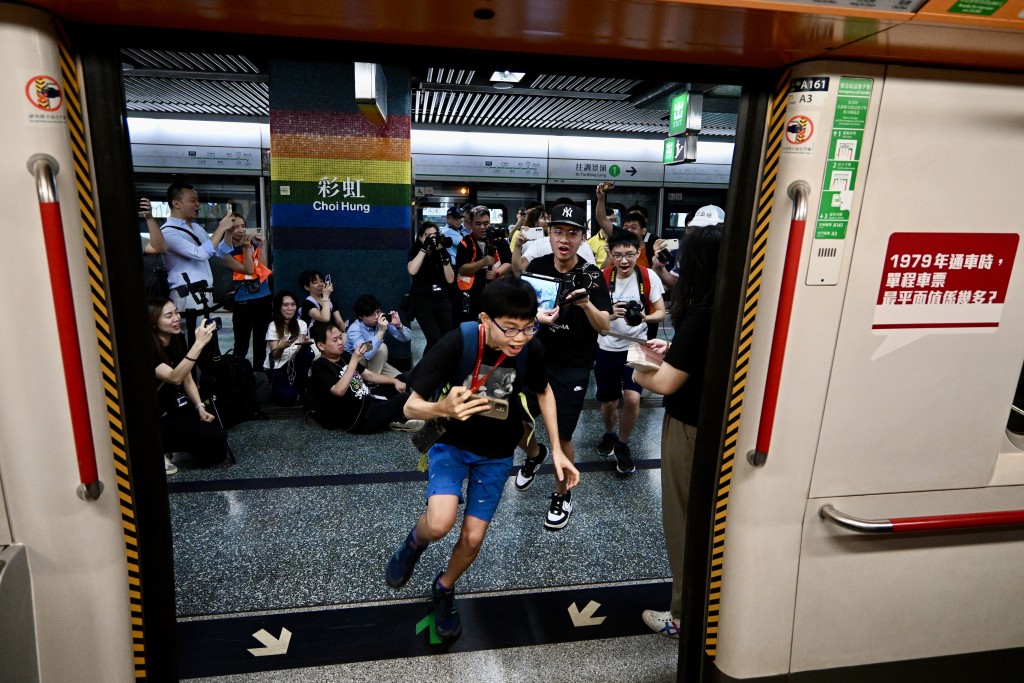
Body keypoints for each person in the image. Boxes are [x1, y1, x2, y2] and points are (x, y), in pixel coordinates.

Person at [384, 277, 580, 642]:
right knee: (439, 523)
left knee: (473, 539)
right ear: (486, 319)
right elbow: (410, 405)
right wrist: (442, 407)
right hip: (451, 444)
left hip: (496, 454)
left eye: (528, 328)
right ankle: (413, 544)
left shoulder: (531, 349)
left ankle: (443, 588)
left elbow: (544, 390)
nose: (520, 338)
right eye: (510, 329)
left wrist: (556, 451)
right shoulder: (459, 341)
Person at [632, 224, 723, 639]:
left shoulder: (702, 311)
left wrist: (639, 368)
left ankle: (684, 616)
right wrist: (675, 352)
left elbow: (666, 383)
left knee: (684, 521)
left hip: (690, 430)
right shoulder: (734, 302)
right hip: (722, 429)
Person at [515, 203, 612, 530]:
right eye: (558, 232)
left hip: (573, 364)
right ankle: (533, 455)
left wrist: (586, 305)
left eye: (572, 233)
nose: (564, 239)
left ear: (582, 238)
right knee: (516, 420)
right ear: (550, 234)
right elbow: (519, 314)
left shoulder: (592, 275)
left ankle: (561, 494)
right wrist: (533, 320)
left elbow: (605, 327)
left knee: (564, 435)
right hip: (535, 356)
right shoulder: (536, 267)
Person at [595, 230, 666, 473]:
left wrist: (644, 316)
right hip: (607, 346)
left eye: (629, 254)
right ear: (610, 255)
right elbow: (595, 319)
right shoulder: (602, 278)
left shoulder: (648, 277)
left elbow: (661, 312)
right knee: (608, 402)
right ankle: (609, 433)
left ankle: (623, 444)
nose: (624, 261)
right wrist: (612, 313)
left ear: (638, 253)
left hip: (638, 345)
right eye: (618, 255)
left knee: (633, 398)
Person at [150, 298, 228, 474]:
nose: (176, 318)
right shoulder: (147, 347)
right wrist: (199, 343)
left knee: (216, 451)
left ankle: (174, 442)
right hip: (156, 416)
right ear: (154, 322)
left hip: (177, 406)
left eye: (176, 313)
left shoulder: (177, 339)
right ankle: (157, 449)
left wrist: (199, 406)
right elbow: (175, 377)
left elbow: (187, 378)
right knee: (215, 437)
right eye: (169, 316)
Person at [160, 183, 238, 344]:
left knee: (207, 345)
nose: (198, 205)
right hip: (186, 297)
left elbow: (220, 252)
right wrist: (220, 228)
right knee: (189, 344)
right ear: (176, 203)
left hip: (204, 296)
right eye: (193, 201)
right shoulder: (168, 232)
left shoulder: (196, 228)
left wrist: (228, 233)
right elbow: (201, 254)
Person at [308, 323, 419, 433]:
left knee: (402, 378)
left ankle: (398, 417)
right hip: (359, 418)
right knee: (403, 398)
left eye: (341, 337)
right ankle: (405, 415)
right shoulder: (320, 367)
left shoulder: (343, 356)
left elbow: (369, 375)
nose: (340, 342)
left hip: (369, 398)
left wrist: (395, 381)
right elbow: (339, 390)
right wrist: (354, 360)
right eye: (335, 340)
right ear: (321, 345)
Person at [215, 214, 272, 369]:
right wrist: (247, 248)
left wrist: (260, 246)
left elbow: (263, 269)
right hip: (243, 301)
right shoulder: (225, 251)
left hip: (263, 297)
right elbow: (248, 269)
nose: (240, 230)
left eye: (243, 226)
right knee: (241, 344)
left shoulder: (250, 244)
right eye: (235, 227)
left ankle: (259, 377)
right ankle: (238, 377)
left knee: (261, 342)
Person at [455, 205, 512, 323]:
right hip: (472, 295)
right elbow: (462, 269)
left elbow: (508, 262)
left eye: (486, 223)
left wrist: (496, 273)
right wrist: (483, 262)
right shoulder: (465, 243)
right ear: (471, 223)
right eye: (478, 224)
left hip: (497, 292)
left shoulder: (499, 240)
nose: (483, 227)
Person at [406, 221, 455, 356]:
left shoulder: (442, 252)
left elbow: (450, 279)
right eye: (428, 235)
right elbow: (412, 270)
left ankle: (434, 369)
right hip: (422, 301)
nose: (432, 238)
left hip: (441, 299)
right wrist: (424, 248)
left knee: (446, 339)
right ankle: (426, 371)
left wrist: (444, 257)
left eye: (434, 235)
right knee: (434, 339)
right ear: (421, 237)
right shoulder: (415, 251)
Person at [653, 204, 725, 290]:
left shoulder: (728, 252)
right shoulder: (686, 251)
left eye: (705, 229)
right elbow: (675, 283)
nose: (699, 233)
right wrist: (661, 269)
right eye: (695, 228)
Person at [264, 291, 315, 406]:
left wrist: (303, 344)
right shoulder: (273, 326)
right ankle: (290, 390)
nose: (290, 308)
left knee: (308, 352)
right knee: (287, 398)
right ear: (278, 307)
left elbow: (298, 352)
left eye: (293, 304)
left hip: (293, 364)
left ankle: (301, 387)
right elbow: (274, 356)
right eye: (286, 305)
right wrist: (281, 347)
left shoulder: (301, 324)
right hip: (278, 366)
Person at [344, 294, 411, 378]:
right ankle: (372, 384)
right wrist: (381, 331)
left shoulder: (381, 320)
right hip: (356, 364)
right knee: (381, 348)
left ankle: (376, 379)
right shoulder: (354, 329)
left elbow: (406, 338)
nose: (376, 316)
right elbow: (366, 354)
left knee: (402, 379)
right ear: (361, 316)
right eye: (371, 314)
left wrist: (399, 325)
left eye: (378, 312)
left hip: (376, 361)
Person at [299, 269, 347, 338]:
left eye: (322, 281)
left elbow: (339, 322)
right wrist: (326, 296)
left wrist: (349, 333)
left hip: (330, 336)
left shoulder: (330, 302)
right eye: (315, 282)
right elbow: (325, 318)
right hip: (315, 339)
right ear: (307, 287)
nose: (321, 284)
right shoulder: (307, 303)